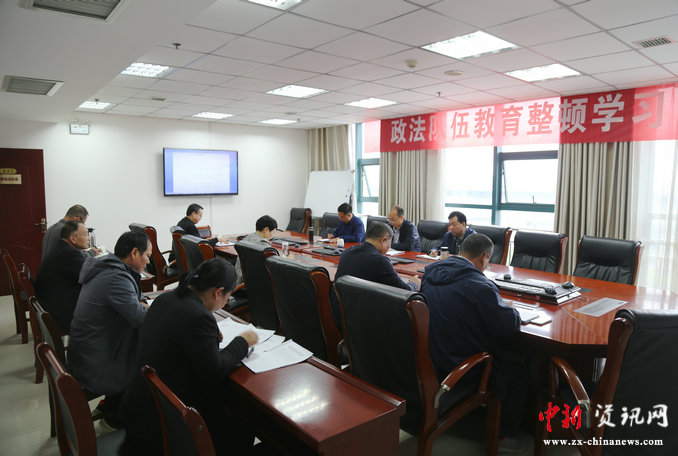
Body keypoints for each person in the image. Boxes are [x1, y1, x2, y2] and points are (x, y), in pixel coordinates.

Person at [121, 258, 259, 455]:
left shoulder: (165, 299)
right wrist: (242, 342)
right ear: (218, 292)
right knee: (244, 423)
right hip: (167, 427)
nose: (226, 302)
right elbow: (215, 370)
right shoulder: (198, 316)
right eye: (227, 297)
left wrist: (209, 335)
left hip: (141, 409)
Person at [421, 233, 526, 451]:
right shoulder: (479, 284)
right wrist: (510, 309)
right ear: (484, 257)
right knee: (518, 364)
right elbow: (508, 325)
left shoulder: (430, 272)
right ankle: (503, 436)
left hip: (434, 355)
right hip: (464, 364)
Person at [68, 230, 152, 421]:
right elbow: (141, 318)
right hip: (95, 364)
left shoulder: (108, 267)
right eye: (147, 256)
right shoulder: (116, 278)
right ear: (134, 253)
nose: (148, 261)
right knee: (152, 365)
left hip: (88, 352)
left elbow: (136, 304)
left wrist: (144, 307)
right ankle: (121, 418)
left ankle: (113, 404)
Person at [34, 221, 90, 334]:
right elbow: (91, 276)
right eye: (86, 234)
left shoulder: (62, 248)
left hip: (51, 304)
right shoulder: (70, 254)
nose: (88, 238)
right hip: (61, 314)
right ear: (73, 239)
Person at [235, 215, 278, 284]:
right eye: (273, 232)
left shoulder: (246, 239)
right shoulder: (264, 246)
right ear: (266, 230)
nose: (272, 235)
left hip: (239, 281)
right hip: (252, 284)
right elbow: (276, 265)